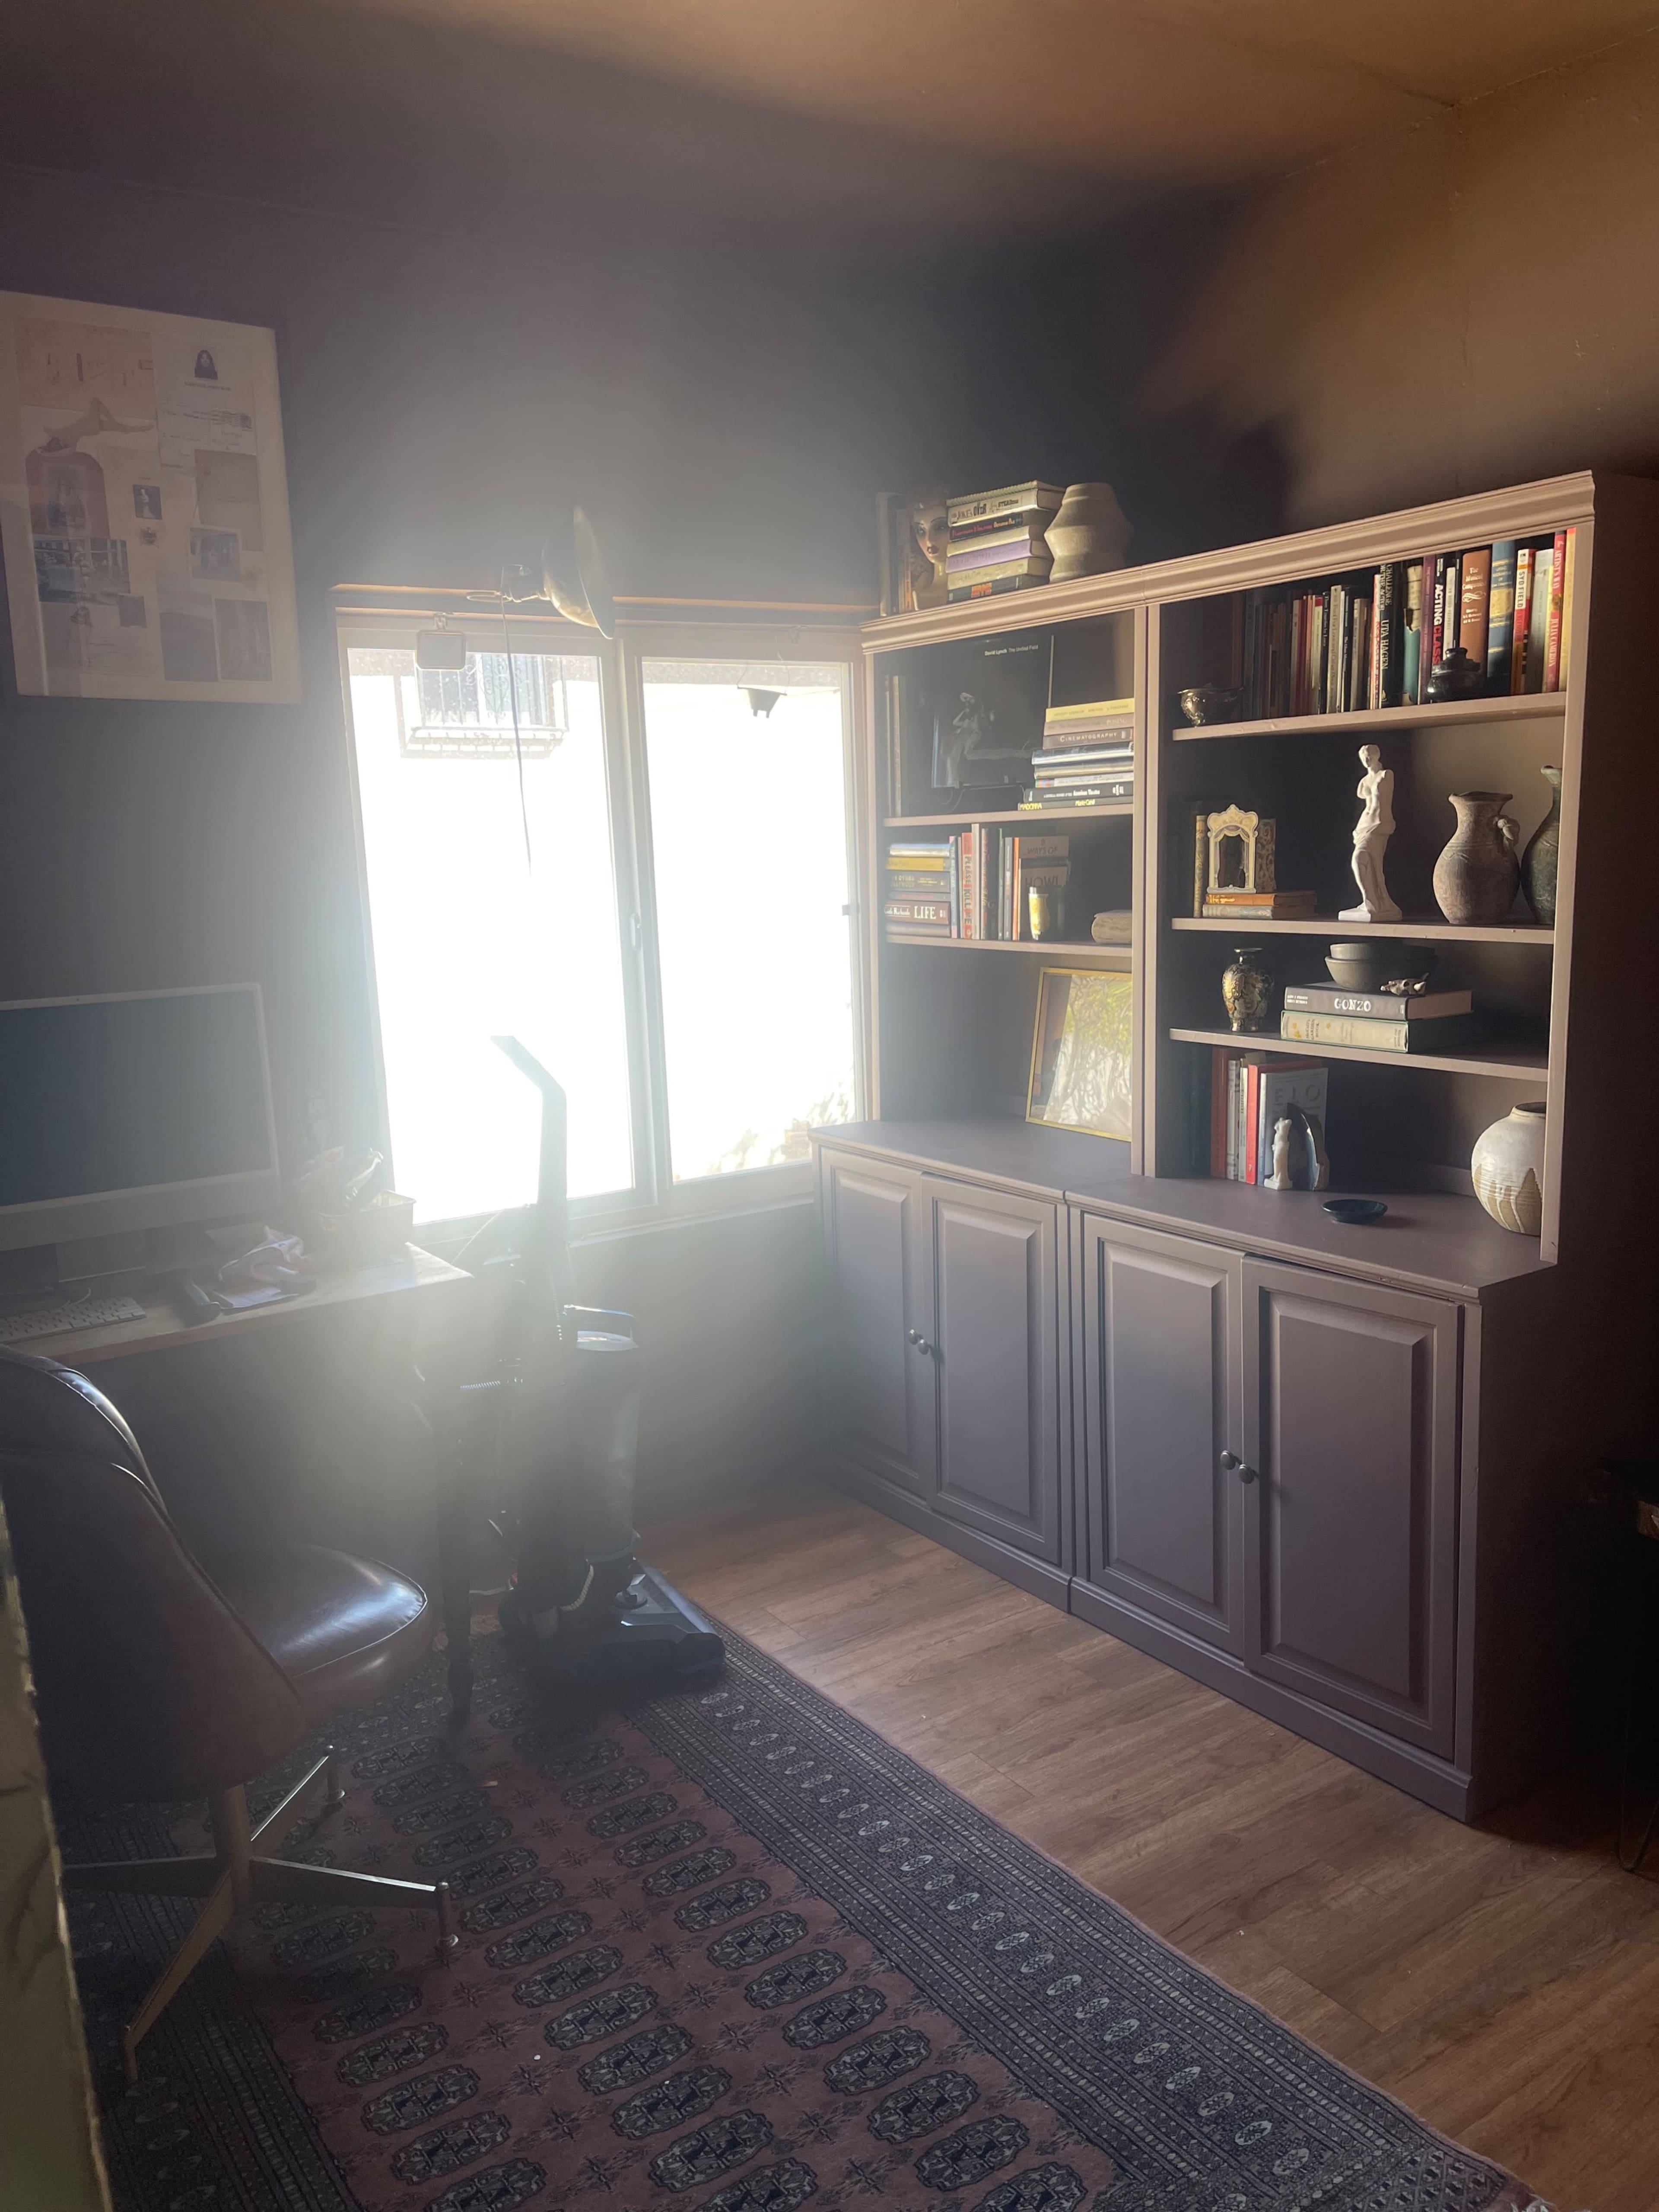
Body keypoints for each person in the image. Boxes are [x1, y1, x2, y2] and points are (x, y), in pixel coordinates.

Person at [1339, 744, 1403, 922]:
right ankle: (1371, 902)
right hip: (1363, 826)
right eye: (1364, 757)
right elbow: (1367, 805)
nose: (1367, 761)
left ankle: (1375, 902)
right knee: (1362, 861)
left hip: (1379, 825)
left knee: (1361, 860)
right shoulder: (1364, 782)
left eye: (1370, 757)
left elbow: (1384, 803)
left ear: (1377, 756)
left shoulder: (1386, 775)